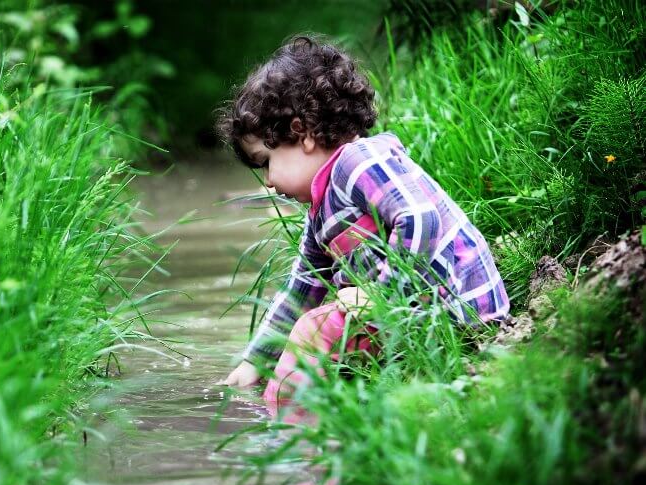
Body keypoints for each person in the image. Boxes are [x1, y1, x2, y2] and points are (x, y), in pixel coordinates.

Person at [214, 36, 510, 402]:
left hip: (460, 311)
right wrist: (254, 362)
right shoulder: (322, 209)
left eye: (266, 162)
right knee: (318, 324)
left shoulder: (359, 163)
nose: (270, 182)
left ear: (301, 132)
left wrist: (380, 297)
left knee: (313, 330)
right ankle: (290, 408)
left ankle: (286, 434)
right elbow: (302, 287)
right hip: (413, 317)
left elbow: (420, 219)